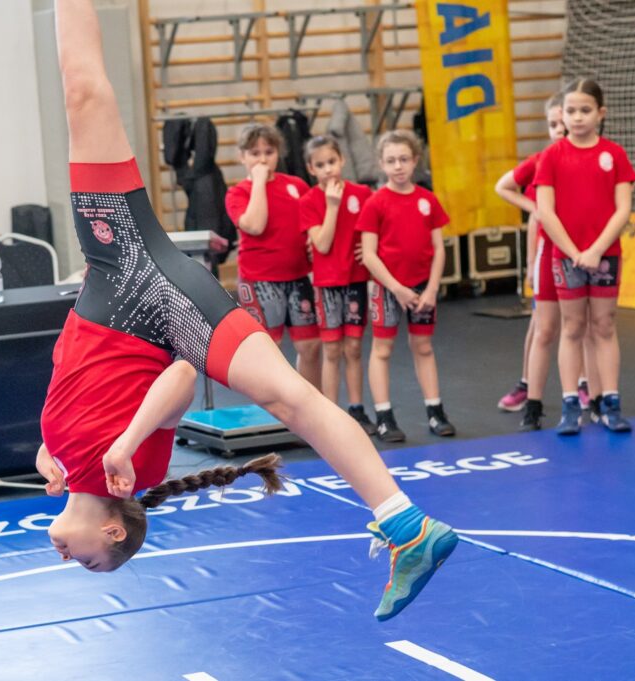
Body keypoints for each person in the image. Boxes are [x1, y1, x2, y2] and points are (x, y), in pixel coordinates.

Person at [37, 0, 458, 621]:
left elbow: (79, 377)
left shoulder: (61, 461)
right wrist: (125, 443)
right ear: (114, 531)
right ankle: (407, 525)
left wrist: (51, 450)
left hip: (112, 263)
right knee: (289, 397)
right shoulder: (135, 470)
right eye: (92, 562)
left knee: (79, 92)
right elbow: (181, 377)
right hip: (157, 292)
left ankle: (405, 524)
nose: (70, 559)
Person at [535, 78, 635, 434]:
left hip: (605, 255)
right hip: (567, 257)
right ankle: (570, 405)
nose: (577, 117)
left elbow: (623, 209)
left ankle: (609, 402)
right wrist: (574, 252)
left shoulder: (615, 154)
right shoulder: (552, 156)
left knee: (604, 325)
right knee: (573, 326)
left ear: (600, 113)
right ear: (562, 114)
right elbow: (545, 210)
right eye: (571, 111)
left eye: (585, 110)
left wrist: (595, 250)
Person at [493, 93, 601, 430]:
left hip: (584, 253)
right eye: (553, 123)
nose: (559, 129)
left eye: (562, 121)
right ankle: (530, 394)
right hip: (550, 254)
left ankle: (588, 388)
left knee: (584, 325)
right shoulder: (544, 160)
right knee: (543, 327)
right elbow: (508, 191)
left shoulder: (594, 157)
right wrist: (535, 219)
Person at [357, 130, 456, 442]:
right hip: (387, 289)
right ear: (381, 164)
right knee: (382, 349)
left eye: (403, 159)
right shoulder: (375, 203)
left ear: (415, 161)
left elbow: (438, 248)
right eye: (391, 161)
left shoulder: (428, 200)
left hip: (422, 286)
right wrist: (396, 288)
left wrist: (432, 288)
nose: (398, 166)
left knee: (423, 346)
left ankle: (435, 410)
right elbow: (369, 255)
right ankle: (384, 416)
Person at [225, 123, 321, 388]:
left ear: (278, 153)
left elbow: (313, 222)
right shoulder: (238, 192)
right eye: (255, 153)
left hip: (298, 276)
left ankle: (310, 402)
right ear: (242, 157)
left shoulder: (296, 185)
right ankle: (276, 404)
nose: (263, 160)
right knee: (269, 348)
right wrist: (258, 181)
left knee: (311, 346)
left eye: (269, 152)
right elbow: (255, 225)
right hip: (260, 281)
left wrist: (313, 240)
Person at [299, 135, 376, 434]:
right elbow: (322, 243)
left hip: (355, 280)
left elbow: (377, 230)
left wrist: (370, 250)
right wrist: (332, 206)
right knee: (332, 350)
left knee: (353, 347)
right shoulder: (309, 201)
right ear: (311, 169)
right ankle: (331, 413)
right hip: (327, 284)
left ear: (342, 160)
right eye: (320, 165)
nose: (328, 169)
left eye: (332, 161)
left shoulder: (362, 194)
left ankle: (357, 409)